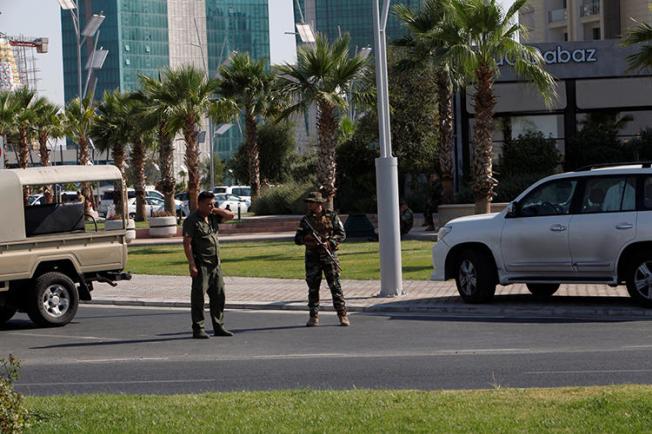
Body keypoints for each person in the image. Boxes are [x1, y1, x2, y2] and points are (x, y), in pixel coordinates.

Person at [183, 191, 235, 339]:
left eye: (213, 203)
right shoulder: (192, 221)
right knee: (198, 297)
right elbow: (187, 244)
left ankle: (219, 326)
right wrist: (191, 264)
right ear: (199, 204)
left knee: (219, 296)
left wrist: (215, 209)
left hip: (215, 264)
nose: (211, 206)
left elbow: (231, 216)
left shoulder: (213, 216)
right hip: (202, 265)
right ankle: (198, 328)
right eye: (208, 204)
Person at [294, 191, 350, 327]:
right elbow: (297, 238)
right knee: (313, 287)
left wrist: (330, 243)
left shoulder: (332, 216)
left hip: (328, 256)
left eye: (311, 202)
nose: (309, 205)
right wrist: (307, 240)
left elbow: (341, 234)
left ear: (318, 203)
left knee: (335, 286)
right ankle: (314, 316)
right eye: (308, 202)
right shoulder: (306, 220)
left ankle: (342, 315)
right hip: (312, 257)